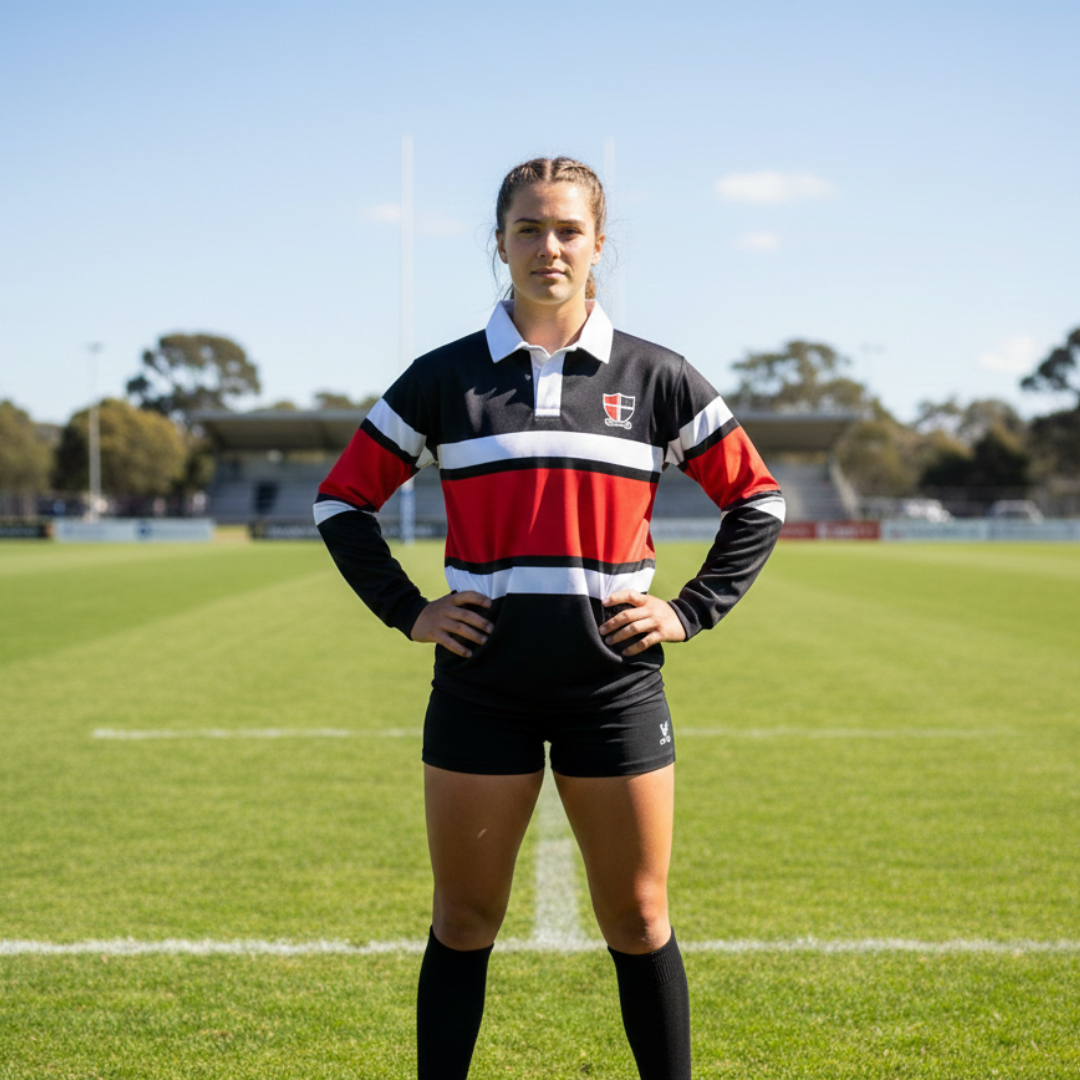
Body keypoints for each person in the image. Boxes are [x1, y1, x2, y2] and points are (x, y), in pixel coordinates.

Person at [314, 157, 785, 1080]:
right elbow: (341, 502)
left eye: (568, 229)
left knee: (641, 920)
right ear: (499, 244)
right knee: (463, 921)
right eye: (528, 229)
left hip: (612, 686)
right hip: (481, 688)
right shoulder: (443, 377)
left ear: (600, 243)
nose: (549, 248)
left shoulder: (656, 375)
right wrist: (410, 611)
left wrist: (690, 610)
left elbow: (758, 501)